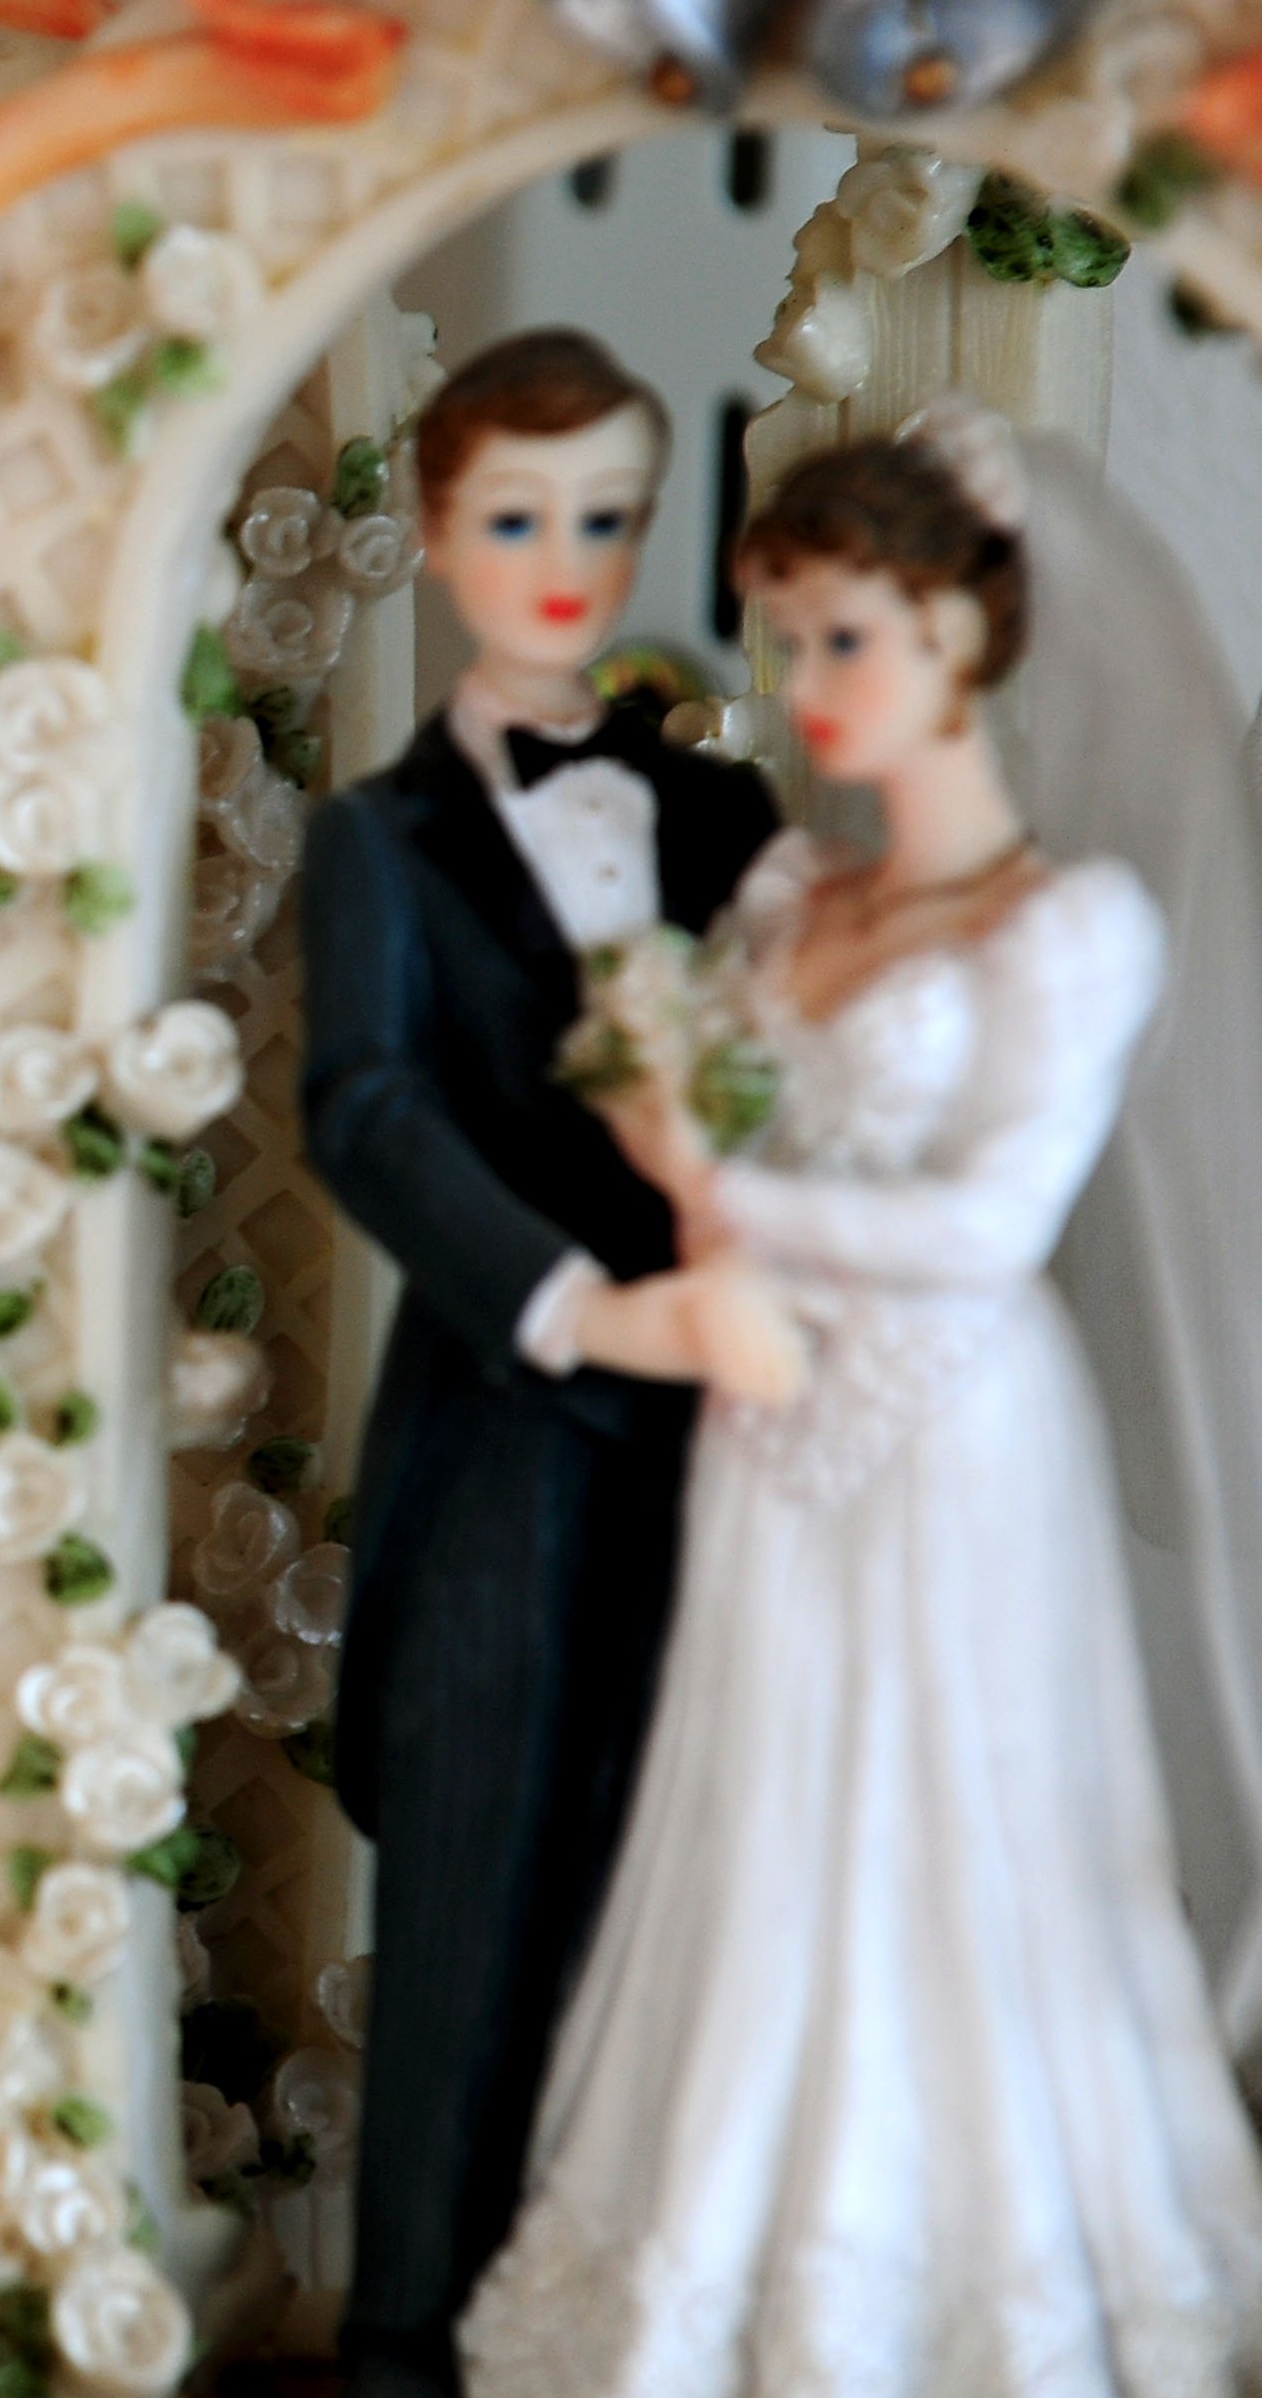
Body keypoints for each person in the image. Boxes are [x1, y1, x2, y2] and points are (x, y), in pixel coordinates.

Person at [460, 411, 1262, 2397]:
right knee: (764, 1820)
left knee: (955, 1824)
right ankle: (731, 2271)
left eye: (839, 639)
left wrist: (715, 1190)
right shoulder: (776, 911)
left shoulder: (1068, 927)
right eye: (782, 637)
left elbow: (988, 1221)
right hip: (768, 1428)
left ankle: (959, 2288)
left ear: (959, 637)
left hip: (951, 1431)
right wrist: (674, 1160)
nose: (799, 688)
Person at [297, 328, 788, 2398]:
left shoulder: (723, 808)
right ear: (431, 532)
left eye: (604, 516)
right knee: (475, 1892)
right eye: (514, 518)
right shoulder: (379, 841)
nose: (562, 560)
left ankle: (649, 2312)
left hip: (723, 1438)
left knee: (679, 1867)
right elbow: (365, 1111)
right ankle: (413, 2332)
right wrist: (580, 1305)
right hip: (505, 1426)